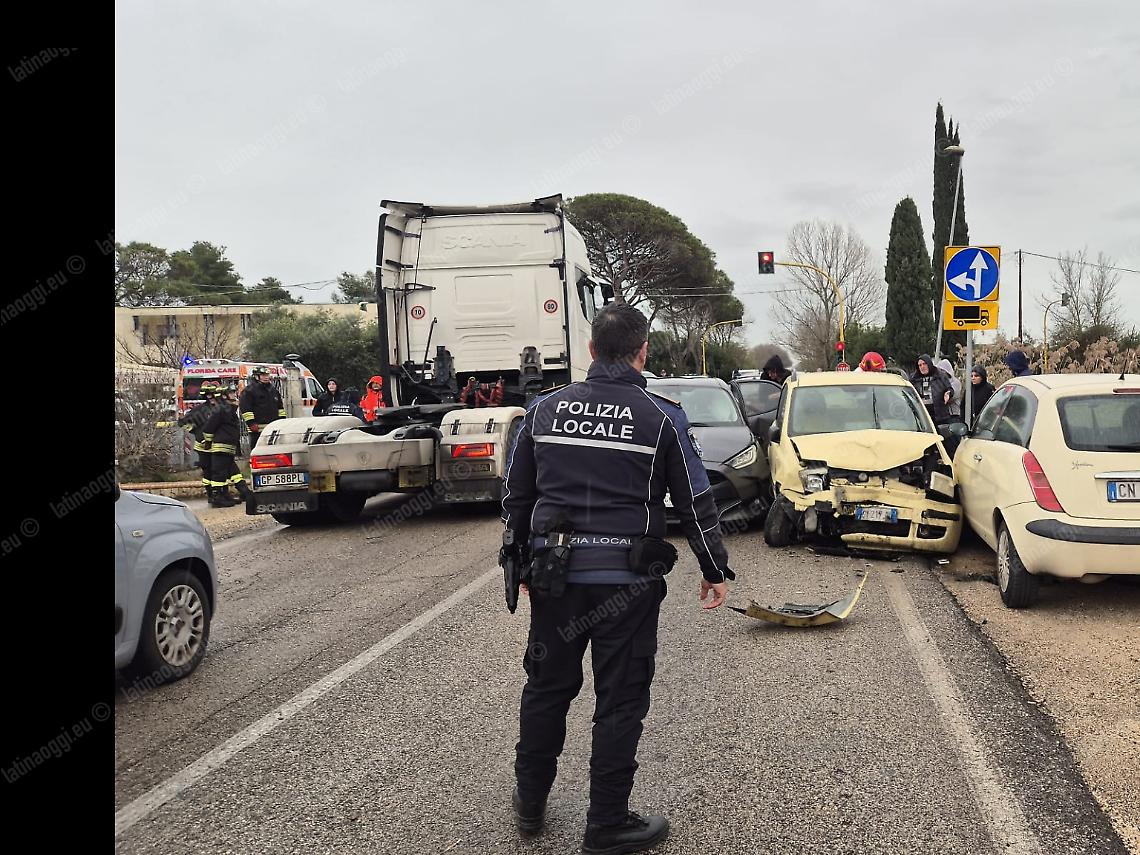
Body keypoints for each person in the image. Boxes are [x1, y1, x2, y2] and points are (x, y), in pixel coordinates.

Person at [502, 302, 734, 854]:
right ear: (642, 352)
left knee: (546, 688)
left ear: (591, 349)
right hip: (626, 584)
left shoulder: (543, 410)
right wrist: (714, 569)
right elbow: (695, 501)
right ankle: (606, 823)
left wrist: (520, 564)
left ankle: (530, 802)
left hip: (555, 578)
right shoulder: (661, 416)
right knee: (620, 699)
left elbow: (515, 496)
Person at [202, 385, 252, 508]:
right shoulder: (221, 410)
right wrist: (208, 442)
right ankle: (218, 497)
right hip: (221, 447)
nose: (234, 395)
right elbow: (208, 428)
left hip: (228, 447)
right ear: (224, 396)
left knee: (234, 472)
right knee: (219, 474)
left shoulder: (229, 409)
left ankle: (242, 492)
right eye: (231, 393)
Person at [177, 383, 218, 502]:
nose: (211, 397)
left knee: (217, 471)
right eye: (209, 395)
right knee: (208, 471)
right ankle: (211, 495)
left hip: (217, 445)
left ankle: (218, 494)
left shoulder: (220, 408)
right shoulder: (199, 410)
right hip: (203, 446)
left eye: (213, 394)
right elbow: (182, 423)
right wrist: (193, 430)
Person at [239, 367, 286, 450]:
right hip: (257, 429)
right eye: (263, 375)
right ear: (256, 377)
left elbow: (280, 408)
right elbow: (246, 409)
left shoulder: (273, 390)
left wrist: (282, 421)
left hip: (273, 427)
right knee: (258, 451)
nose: (266, 377)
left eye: (267, 375)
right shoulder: (249, 391)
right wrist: (251, 423)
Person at [910, 354, 954, 426]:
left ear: (929, 364)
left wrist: (948, 393)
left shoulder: (940, 375)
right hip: (922, 413)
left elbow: (950, 389)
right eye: (920, 365)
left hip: (939, 413)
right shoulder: (914, 378)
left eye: (924, 364)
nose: (922, 367)